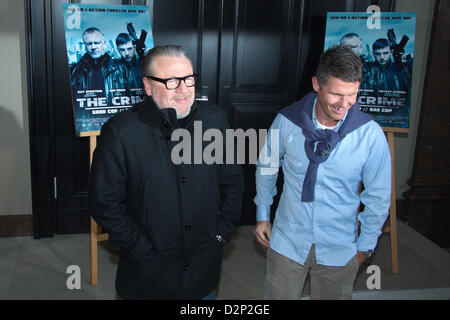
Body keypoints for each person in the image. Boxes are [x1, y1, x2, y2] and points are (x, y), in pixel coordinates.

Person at [89, 45, 244, 300]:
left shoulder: (215, 119)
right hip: (147, 277)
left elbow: (232, 181)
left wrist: (222, 230)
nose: (184, 89)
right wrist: (138, 248)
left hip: (203, 270)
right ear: (148, 86)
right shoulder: (120, 132)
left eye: (189, 79)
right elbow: (105, 203)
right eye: (171, 81)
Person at [253, 45, 391, 300]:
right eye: (336, 94)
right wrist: (263, 215)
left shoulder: (370, 134)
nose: (344, 104)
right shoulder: (287, 121)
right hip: (288, 241)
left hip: (340, 247)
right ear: (317, 84)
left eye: (352, 95)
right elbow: (267, 167)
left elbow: (379, 195)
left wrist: (365, 246)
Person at [70, 27, 129, 103]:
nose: (93, 47)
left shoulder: (121, 68)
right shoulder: (75, 70)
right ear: (85, 45)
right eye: (89, 44)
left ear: (104, 44)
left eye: (97, 43)